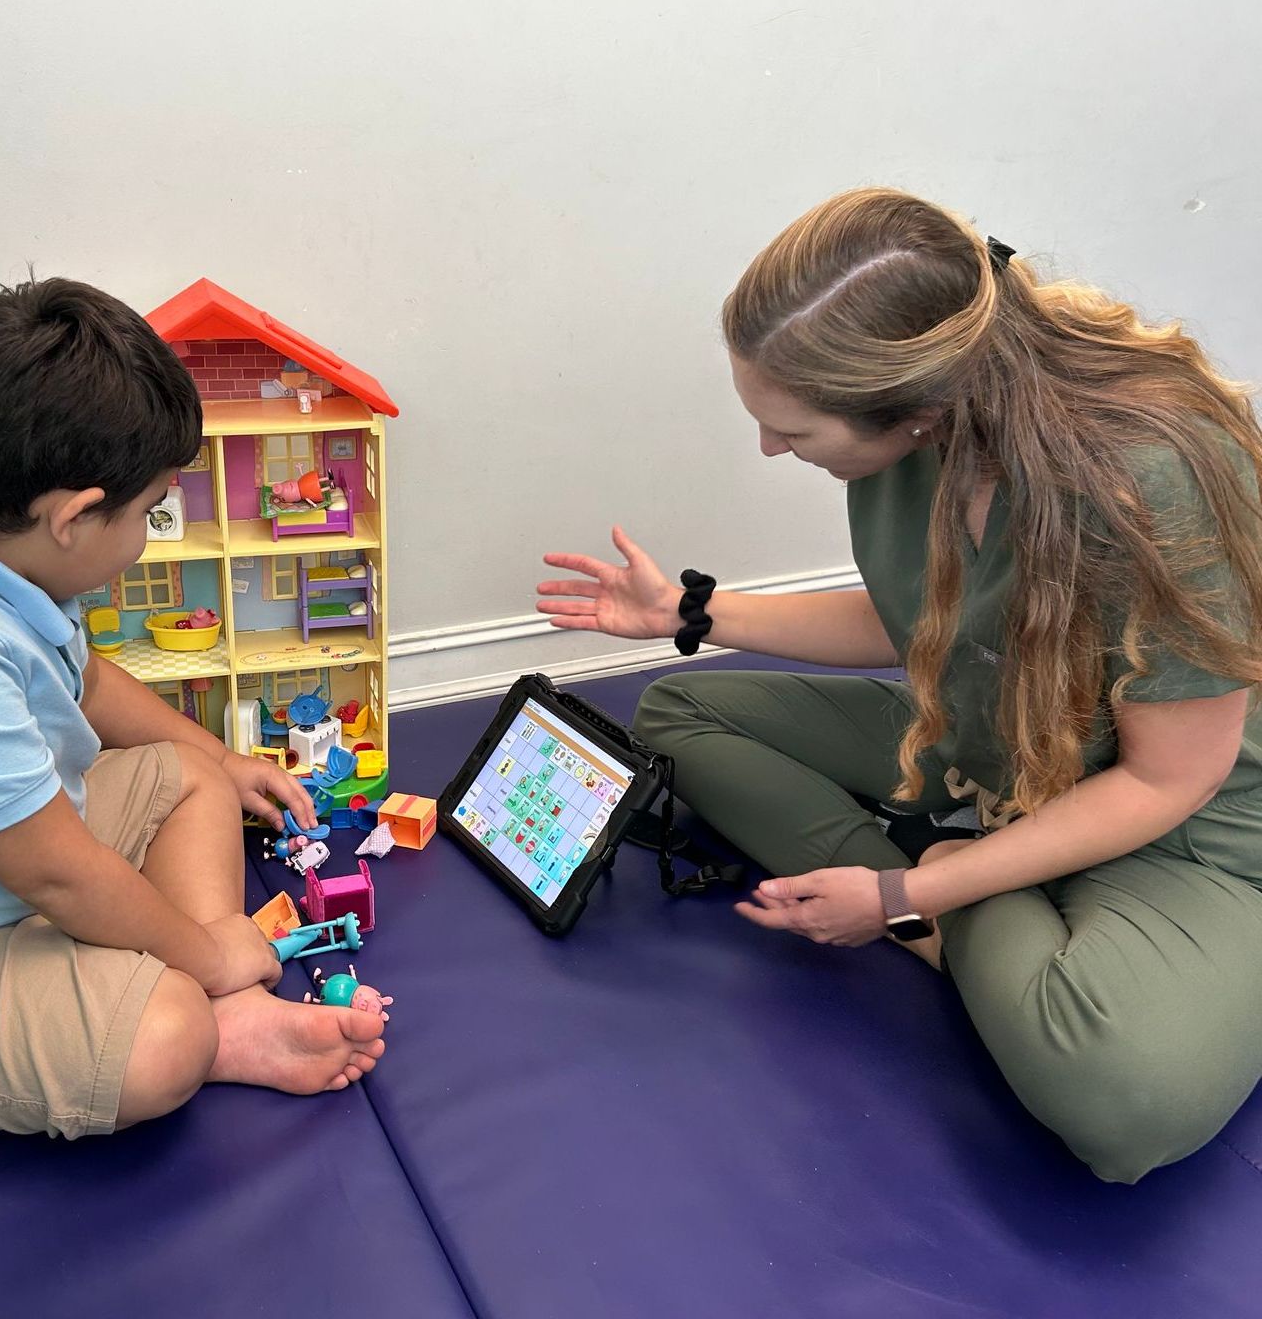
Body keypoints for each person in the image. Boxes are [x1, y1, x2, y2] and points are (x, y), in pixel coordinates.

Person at [537, 188, 1262, 1183]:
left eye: (793, 434)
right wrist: (693, 616)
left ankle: (948, 907)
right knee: (678, 710)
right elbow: (920, 613)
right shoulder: (922, 435)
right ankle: (981, 898)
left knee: (1124, 1101)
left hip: (1187, 820)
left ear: (914, 406)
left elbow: (1166, 780)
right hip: (992, 743)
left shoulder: (1157, 474)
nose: (769, 450)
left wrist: (905, 894)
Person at [0, 277, 385, 1138]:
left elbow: (85, 681)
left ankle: (204, 998)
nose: (147, 533)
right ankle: (209, 1018)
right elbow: (60, 874)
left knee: (192, 772)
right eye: (151, 512)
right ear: (76, 516)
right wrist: (209, 954)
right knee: (165, 1038)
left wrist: (227, 764)